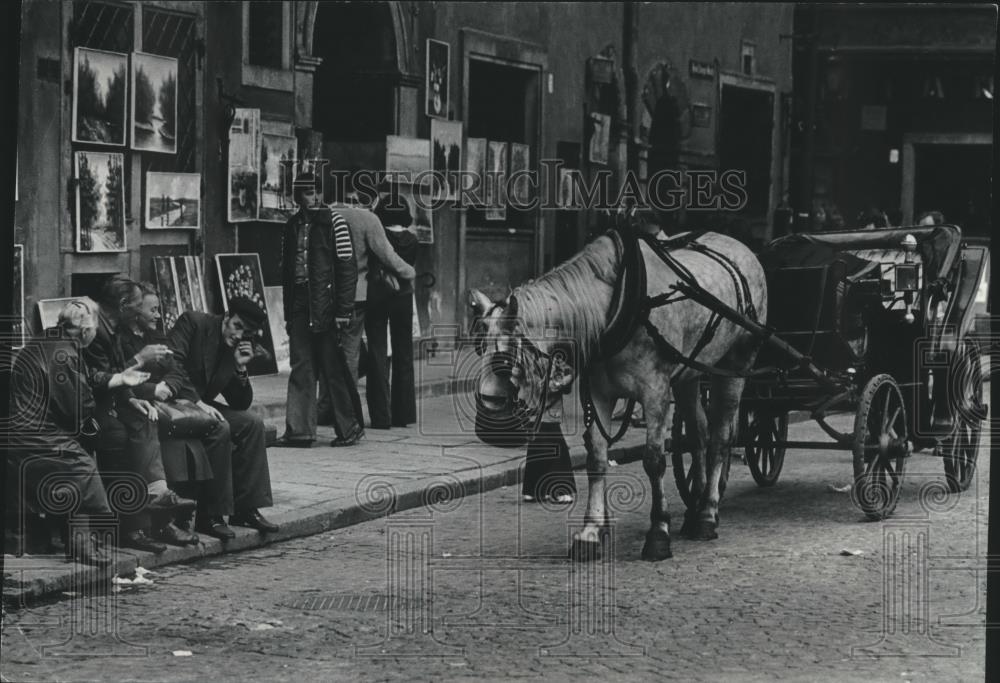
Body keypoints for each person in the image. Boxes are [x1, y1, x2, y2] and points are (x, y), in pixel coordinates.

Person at [8, 301, 149, 566]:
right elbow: (78, 408)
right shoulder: (65, 353)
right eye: (95, 329)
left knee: (82, 457)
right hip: (36, 437)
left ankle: (78, 541)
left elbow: (84, 377)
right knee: (83, 467)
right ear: (85, 332)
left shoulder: (51, 340)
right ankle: (84, 545)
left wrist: (118, 379)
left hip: (25, 433)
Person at [84, 276, 196, 554]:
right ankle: (144, 520)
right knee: (124, 433)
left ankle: (157, 512)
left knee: (144, 418)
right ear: (123, 306)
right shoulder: (98, 330)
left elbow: (117, 377)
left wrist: (132, 399)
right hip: (89, 407)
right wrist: (139, 362)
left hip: (112, 401)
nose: (140, 312)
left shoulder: (113, 328)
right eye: (137, 306)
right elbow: (100, 378)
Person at [118, 283, 232, 543]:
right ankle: (165, 521)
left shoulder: (156, 336)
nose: (158, 315)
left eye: (159, 309)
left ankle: (188, 515)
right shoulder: (122, 340)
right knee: (169, 437)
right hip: (135, 405)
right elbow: (116, 376)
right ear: (135, 312)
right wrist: (150, 389)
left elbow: (176, 369)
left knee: (196, 437)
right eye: (152, 310)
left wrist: (168, 386)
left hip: (164, 405)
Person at [163, 296, 278, 536]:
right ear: (226, 316)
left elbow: (239, 402)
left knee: (252, 423)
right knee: (220, 426)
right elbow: (171, 362)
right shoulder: (193, 323)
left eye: (245, 332)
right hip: (171, 400)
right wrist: (197, 401)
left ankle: (245, 509)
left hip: (200, 406)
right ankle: (210, 515)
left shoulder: (233, 346)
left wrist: (240, 368)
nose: (238, 335)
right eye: (237, 326)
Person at [279, 176, 365, 448]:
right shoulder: (292, 226)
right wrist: (288, 313)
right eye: (307, 193)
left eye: (317, 192)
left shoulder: (336, 223)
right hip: (300, 302)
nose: (313, 198)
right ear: (298, 197)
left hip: (326, 303)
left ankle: (349, 427)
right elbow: (287, 272)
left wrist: (343, 310)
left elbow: (347, 269)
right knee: (301, 366)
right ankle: (299, 431)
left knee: (333, 368)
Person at [322, 201, 416, 432]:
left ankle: (339, 409)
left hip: (334, 293)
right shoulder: (370, 221)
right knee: (382, 355)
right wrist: (410, 272)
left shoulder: (326, 215)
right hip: (376, 294)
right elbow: (387, 256)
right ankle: (393, 414)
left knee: (359, 354)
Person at [366, 198, 419, 428]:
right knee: (404, 355)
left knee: (377, 353)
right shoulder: (413, 240)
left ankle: (381, 416)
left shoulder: (380, 236)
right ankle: (403, 414)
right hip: (404, 297)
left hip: (378, 295)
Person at [519, 352, 576, 504]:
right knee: (555, 444)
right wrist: (563, 382)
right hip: (542, 403)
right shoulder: (547, 349)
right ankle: (558, 489)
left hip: (534, 403)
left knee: (539, 442)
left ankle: (533, 489)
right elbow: (557, 381)